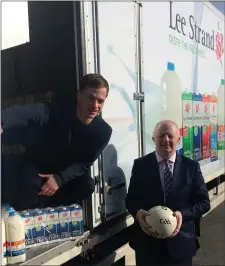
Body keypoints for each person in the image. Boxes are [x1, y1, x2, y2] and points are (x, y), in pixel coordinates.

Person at [1, 73, 112, 210]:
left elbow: (84, 163)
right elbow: (28, 113)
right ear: (79, 96)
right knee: (29, 186)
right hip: (40, 165)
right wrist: (2, 122)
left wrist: (59, 179)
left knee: (87, 185)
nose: (95, 105)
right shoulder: (58, 111)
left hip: (64, 173)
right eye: (90, 98)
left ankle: (57, 213)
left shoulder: (102, 132)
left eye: (100, 101)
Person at [126, 120, 210, 266]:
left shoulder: (191, 167)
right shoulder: (141, 165)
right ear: (154, 139)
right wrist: (138, 212)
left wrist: (182, 215)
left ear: (178, 139)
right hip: (147, 246)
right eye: (161, 136)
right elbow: (131, 200)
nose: (166, 140)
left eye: (170, 136)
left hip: (181, 246)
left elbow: (203, 203)